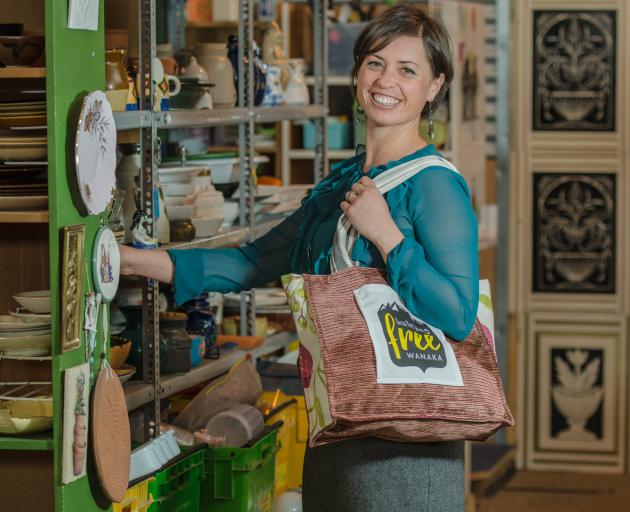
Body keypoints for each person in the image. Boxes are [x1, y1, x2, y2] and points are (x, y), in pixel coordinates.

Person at [120, 5, 478, 511]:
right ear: (357, 72)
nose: (386, 81)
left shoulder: (436, 185)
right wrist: (134, 262)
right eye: (375, 62)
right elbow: (250, 261)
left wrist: (390, 237)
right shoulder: (340, 186)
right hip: (334, 422)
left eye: (408, 69)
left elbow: (459, 315)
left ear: (434, 87)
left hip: (407, 442)